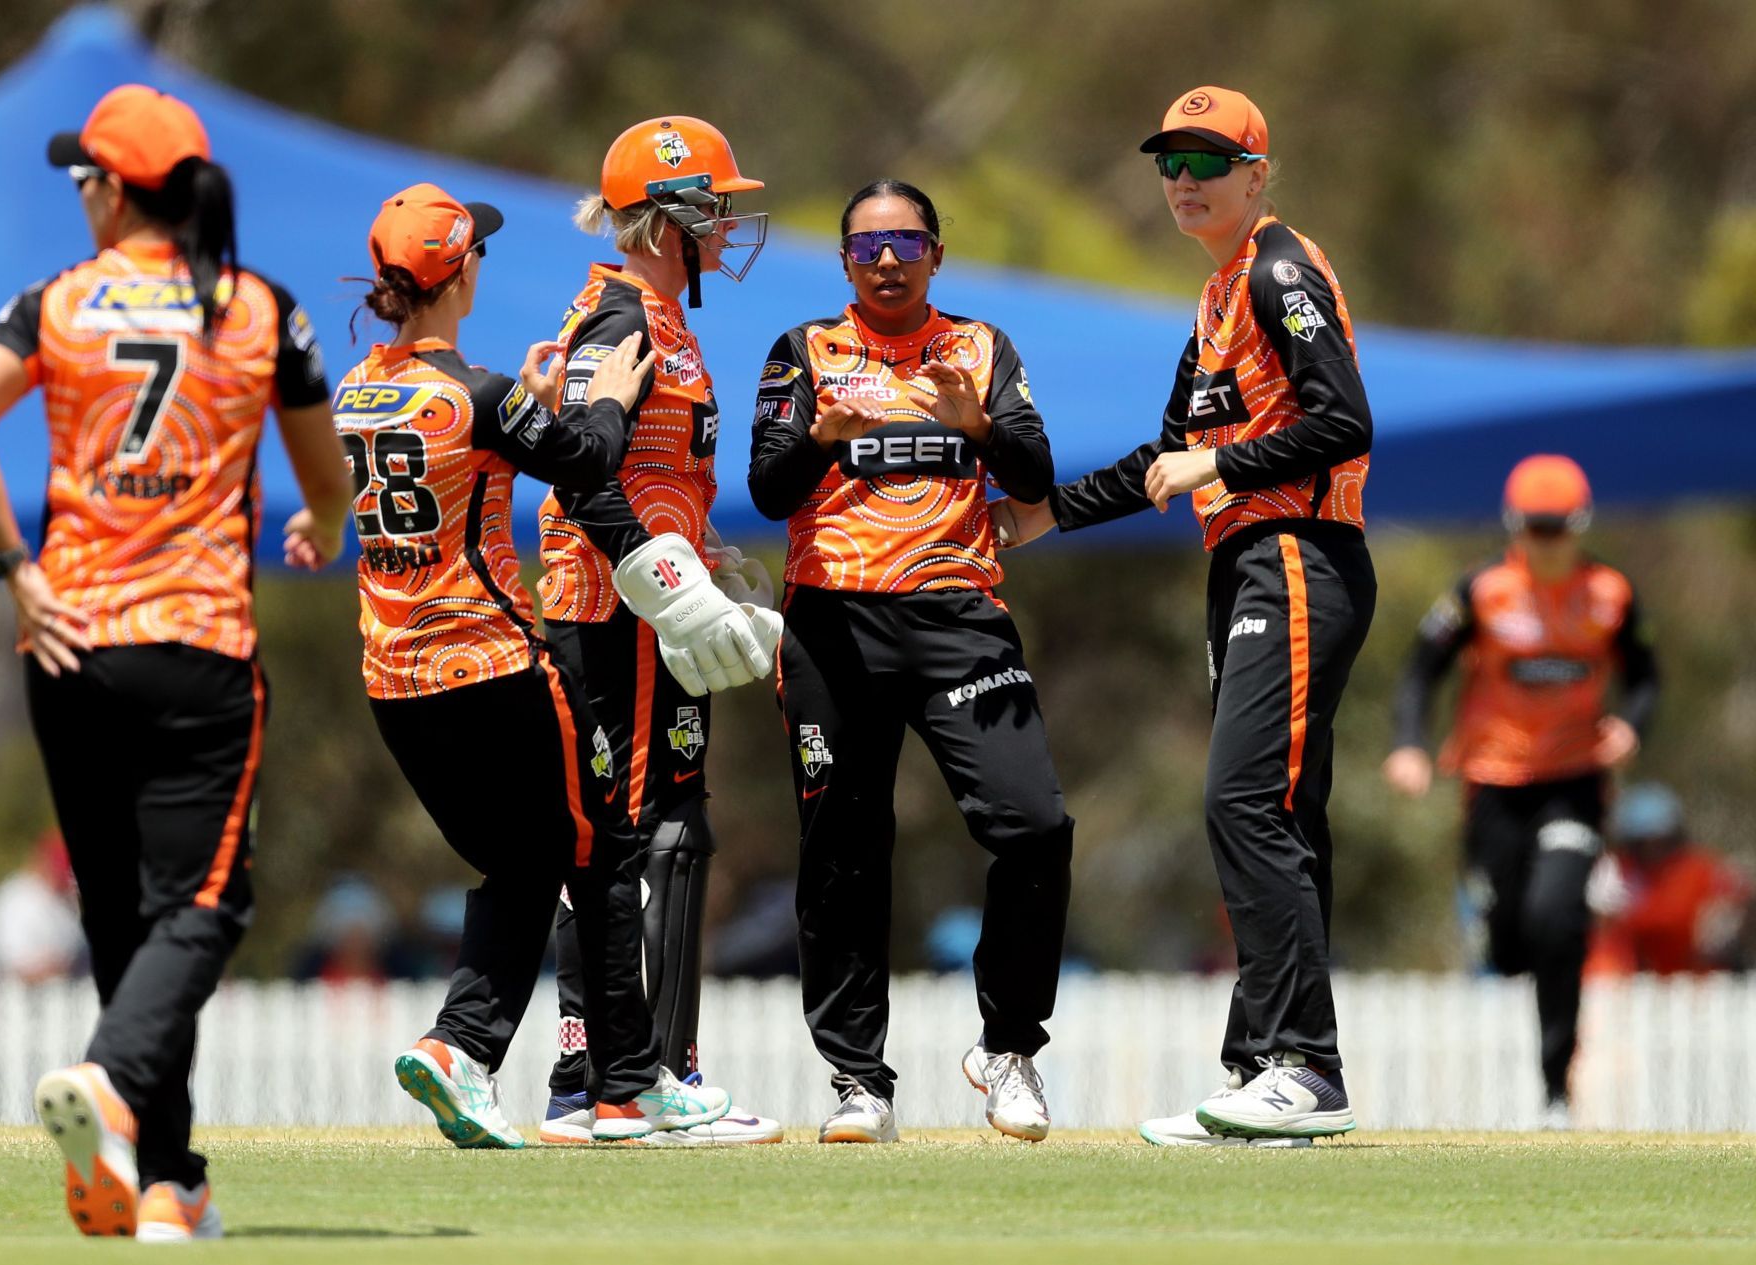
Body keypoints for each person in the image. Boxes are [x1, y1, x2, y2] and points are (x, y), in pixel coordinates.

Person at [0, 84, 352, 1240]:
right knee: (208, 902)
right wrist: (317, 518)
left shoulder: (56, 302)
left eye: (85, 181)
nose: (79, 197)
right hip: (198, 647)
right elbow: (328, 481)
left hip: (67, 645)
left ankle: (168, 1179)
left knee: (127, 921)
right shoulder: (259, 308)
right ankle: (113, 1082)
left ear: (118, 192)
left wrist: (15, 564)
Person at [993, 87, 1375, 1147]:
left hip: (1297, 553)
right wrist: (1042, 517)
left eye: (1208, 161)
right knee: (1277, 814)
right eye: (1170, 162)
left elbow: (1343, 420)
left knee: (1243, 801)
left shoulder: (1277, 269)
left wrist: (1222, 461)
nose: (1184, 180)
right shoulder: (1216, 303)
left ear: (1260, 172)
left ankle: (1306, 1066)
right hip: (1249, 561)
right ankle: (1262, 1068)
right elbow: (1166, 458)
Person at [334, 183, 732, 1151]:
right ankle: (612, 1082)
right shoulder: (476, 391)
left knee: (530, 860)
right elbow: (589, 461)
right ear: (460, 270)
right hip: (495, 664)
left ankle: (485, 1054)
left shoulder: (360, 390)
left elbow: (489, 458)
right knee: (598, 846)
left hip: (394, 680)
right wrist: (603, 401)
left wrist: (539, 408)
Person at [750, 179, 1072, 1144]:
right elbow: (768, 492)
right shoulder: (805, 350)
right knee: (843, 852)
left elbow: (1034, 476)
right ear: (844, 261)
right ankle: (859, 1082)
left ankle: (1008, 1048)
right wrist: (818, 439)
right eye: (865, 248)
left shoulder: (981, 348)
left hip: (958, 617)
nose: (886, 261)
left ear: (936, 252)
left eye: (905, 244)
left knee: (1034, 826)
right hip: (834, 624)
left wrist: (978, 425)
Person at [535, 118, 784, 1147]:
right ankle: (641, 1081)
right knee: (651, 836)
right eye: (713, 205)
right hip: (616, 611)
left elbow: (649, 475)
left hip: (641, 600)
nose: (728, 224)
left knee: (628, 834)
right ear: (666, 216)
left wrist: (701, 555)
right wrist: (664, 578)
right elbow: (581, 472)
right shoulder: (620, 321)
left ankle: (589, 1071)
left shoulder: (660, 318)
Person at [1384, 453, 1657, 1127]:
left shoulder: (1611, 596)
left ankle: (1555, 1089)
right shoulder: (1479, 592)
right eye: (1534, 530)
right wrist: (1410, 746)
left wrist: (1631, 725)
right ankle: (1497, 934)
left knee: (1557, 918)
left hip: (1573, 781)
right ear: (1513, 528)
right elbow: (1420, 672)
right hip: (1493, 783)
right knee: (1509, 941)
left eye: (1558, 530)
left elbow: (1647, 675)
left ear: (1581, 526)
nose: (1546, 544)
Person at [1587, 784, 1750, 976]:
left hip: (1699, 982)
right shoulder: (1615, 872)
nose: (1652, 849)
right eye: (1642, 842)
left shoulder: (1700, 870)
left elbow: (1741, 901)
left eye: (1660, 840)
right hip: (1631, 981)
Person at [0, 831, 86, 982]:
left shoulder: (65, 902)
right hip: (18, 999)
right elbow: (11, 963)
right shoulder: (16, 901)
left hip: (67, 996)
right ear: (44, 864)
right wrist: (55, 966)